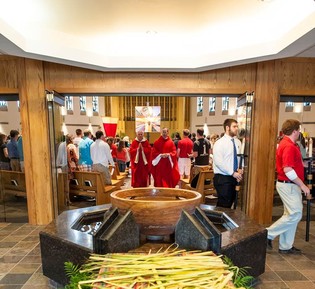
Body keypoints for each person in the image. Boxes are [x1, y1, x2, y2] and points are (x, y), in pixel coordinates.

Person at [267, 119, 310, 254]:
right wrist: (303, 185)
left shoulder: (286, 143)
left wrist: (302, 165)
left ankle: (285, 246)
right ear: (295, 131)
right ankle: (267, 235)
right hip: (289, 185)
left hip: (288, 184)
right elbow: (288, 170)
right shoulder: (289, 146)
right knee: (295, 214)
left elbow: (291, 164)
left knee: (290, 214)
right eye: (299, 130)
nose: (299, 133)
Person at [212, 119, 243, 208]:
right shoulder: (219, 143)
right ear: (227, 128)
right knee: (224, 204)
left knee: (231, 203)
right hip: (223, 178)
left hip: (234, 177)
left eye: (237, 126)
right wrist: (232, 173)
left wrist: (241, 169)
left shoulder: (238, 142)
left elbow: (239, 157)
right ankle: (217, 222)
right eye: (234, 126)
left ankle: (224, 221)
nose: (236, 128)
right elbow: (219, 162)